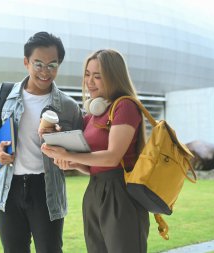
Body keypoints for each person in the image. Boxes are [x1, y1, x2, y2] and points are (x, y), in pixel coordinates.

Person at [0, 32, 83, 253]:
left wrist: (61, 145)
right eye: (39, 64)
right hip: (8, 187)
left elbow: (79, 151)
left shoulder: (69, 106)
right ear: (26, 62)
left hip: (46, 189)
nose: (45, 72)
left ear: (59, 65)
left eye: (52, 65)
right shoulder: (4, 95)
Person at [41, 49, 150, 253]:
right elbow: (93, 166)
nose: (90, 81)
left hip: (121, 192)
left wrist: (69, 155)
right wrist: (73, 163)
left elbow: (112, 157)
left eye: (97, 76)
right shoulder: (91, 116)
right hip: (94, 191)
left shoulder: (125, 106)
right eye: (87, 74)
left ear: (114, 77)